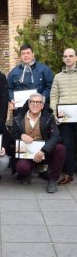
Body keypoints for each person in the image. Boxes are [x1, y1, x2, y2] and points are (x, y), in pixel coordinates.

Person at [12, 93, 65, 193]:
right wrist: (21, 136)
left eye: (38, 102)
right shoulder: (18, 119)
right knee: (21, 168)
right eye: (32, 102)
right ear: (28, 104)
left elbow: (56, 136)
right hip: (27, 154)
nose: (35, 104)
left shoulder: (49, 118)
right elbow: (12, 136)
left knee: (60, 148)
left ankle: (53, 180)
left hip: (44, 153)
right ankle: (27, 174)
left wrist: (43, 151)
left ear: (42, 105)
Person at [50, 48, 77, 184]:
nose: (68, 58)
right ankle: (68, 174)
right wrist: (54, 113)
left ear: (76, 58)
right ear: (63, 59)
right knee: (68, 145)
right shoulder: (58, 77)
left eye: (71, 56)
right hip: (65, 118)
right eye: (65, 56)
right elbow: (54, 96)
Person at [8, 44, 53, 114]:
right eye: (23, 53)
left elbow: (50, 87)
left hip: (40, 110)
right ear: (20, 56)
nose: (25, 55)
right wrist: (12, 99)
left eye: (28, 53)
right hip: (20, 111)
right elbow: (9, 88)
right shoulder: (14, 71)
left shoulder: (44, 69)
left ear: (33, 54)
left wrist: (42, 98)